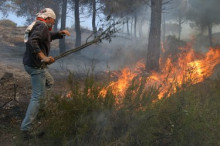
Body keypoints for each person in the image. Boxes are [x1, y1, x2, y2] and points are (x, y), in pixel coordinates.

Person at [21, 8, 70, 139]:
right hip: (36, 66)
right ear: (48, 18)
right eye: (53, 21)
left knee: (50, 82)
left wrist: (59, 34)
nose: (53, 24)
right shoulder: (42, 26)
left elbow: (46, 36)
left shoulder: (39, 25)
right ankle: (26, 129)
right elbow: (33, 41)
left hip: (31, 64)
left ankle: (42, 108)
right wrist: (44, 57)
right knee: (36, 97)